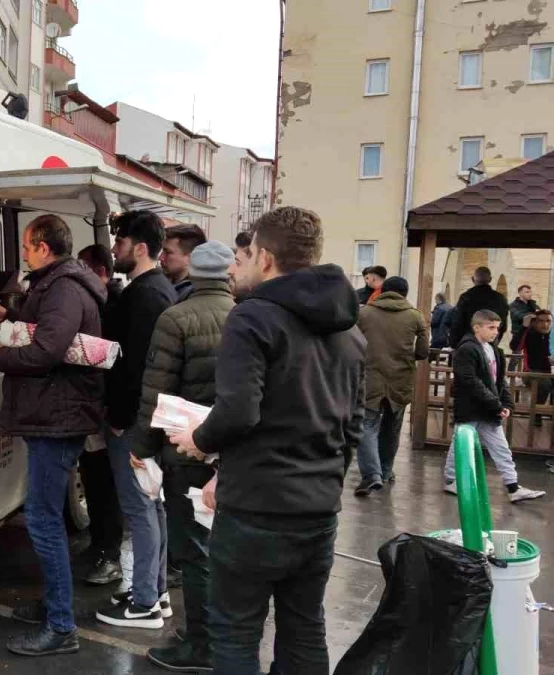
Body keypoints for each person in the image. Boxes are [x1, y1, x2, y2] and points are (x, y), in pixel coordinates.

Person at [168, 207, 366, 675]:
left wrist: (199, 439)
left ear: (266, 258)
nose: (237, 267)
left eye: (246, 254)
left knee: (235, 632)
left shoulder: (252, 318)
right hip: (317, 509)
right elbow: (352, 426)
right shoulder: (350, 329)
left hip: (256, 511)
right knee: (304, 627)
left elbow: (238, 412)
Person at [0, 215, 106, 656]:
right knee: (44, 516)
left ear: (44, 248)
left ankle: (61, 626)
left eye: (28, 246)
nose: (25, 253)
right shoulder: (57, 284)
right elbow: (50, 330)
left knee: (43, 519)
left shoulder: (64, 287)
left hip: (58, 416)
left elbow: (47, 351)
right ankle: (55, 604)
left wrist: (0, 356)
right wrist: (9, 316)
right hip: (55, 413)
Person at [135, 241, 236, 671]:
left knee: (195, 552)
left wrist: (141, 449)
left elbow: (156, 391)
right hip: (234, 453)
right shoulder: (245, 315)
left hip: (185, 449)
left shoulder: (176, 318)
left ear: (193, 273)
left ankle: (203, 644)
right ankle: (214, 633)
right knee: (221, 549)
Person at [90, 210, 176, 630]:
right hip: (148, 417)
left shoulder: (145, 296)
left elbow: (136, 366)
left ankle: (144, 603)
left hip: (136, 420)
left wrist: (121, 418)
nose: (113, 248)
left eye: (120, 241)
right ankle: (155, 591)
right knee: (152, 505)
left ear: (140, 248)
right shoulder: (157, 289)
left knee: (140, 508)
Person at [442, 310, 546, 503]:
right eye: (491, 327)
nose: (495, 332)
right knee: (461, 444)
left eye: (497, 328)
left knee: (500, 448)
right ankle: (451, 480)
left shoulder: (494, 350)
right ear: (476, 327)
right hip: (471, 407)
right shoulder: (467, 349)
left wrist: (506, 403)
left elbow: (499, 380)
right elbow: (469, 380)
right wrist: (496, 404)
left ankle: (513, 486)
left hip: (489, 409)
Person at [75, 244, 125, 585]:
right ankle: (99, 545)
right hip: (93, 406)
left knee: (106, 485)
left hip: (105, 407)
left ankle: (110, 554)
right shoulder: (97, 301)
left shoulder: (113, 306)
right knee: (93, 478)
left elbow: (110, 358)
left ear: (101, 272)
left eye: (83, 270)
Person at [353, 276, 429, 497]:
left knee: (367, 425)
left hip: (369, 378)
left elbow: (352, 342)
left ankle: (371, 474)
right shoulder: (415, 316)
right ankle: (385, 471)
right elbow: (423, 351)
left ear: (382, 290)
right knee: (392, 428)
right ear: (405, 293)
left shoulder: (364, 313)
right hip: (400, 380)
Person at [449, 266, 509, 347]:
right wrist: (495, 341)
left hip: (469, 342)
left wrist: (454, 343)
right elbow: (503, 325)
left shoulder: (466, 297)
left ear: (472, 279)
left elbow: (458, 322)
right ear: (490, 279)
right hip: (490, 343)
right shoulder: (500, 298)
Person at [521, 309, 553, 428]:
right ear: (534, 322)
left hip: (550, 372)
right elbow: (515, 346)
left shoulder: (551, 336)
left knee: (548, 381)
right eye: (541, 321)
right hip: (531, 372)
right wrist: (524, 327)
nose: (545, 324)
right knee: (545, 384)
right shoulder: (529, 334)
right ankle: (537, 414)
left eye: (548, 321)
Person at [161, 224, 207, 301]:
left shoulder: (196, 296)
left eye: (168, 252)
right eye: (162, 251)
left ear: (190, 257)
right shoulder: (158, 283)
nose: (161, 258)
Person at [509, 284, 540, 353]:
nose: (530, 294)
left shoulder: (533, 304)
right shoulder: (513, 305)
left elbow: (540, 314)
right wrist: (534, 315)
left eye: (530, 292)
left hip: (532, 333)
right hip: (518, 333)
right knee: (516, 355)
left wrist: (535, 315)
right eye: (527, 292)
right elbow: (521, 316)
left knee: (531, 354)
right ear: (520, 293)